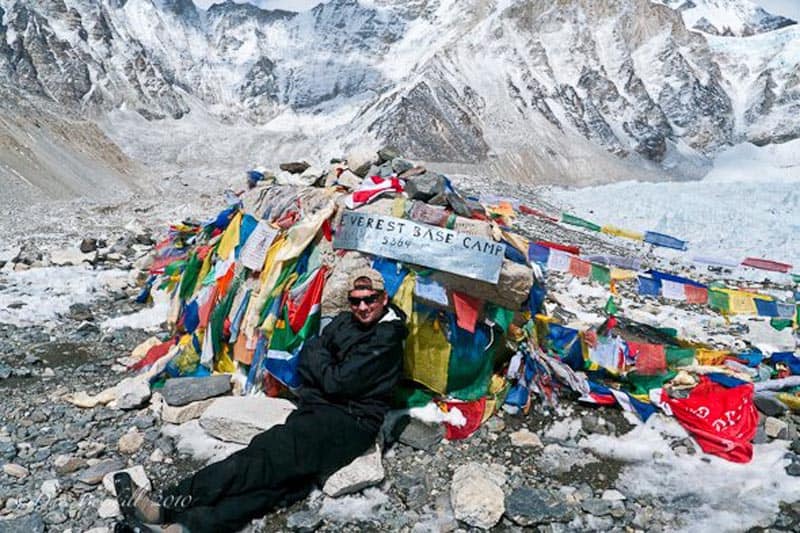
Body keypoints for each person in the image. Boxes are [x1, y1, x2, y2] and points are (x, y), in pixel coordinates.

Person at [117, 267, 408, 533]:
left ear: (384, 299)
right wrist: (325, 365)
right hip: (321, 411)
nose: (362, 307)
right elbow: (308, 354)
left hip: (349, 421)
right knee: (277, 487)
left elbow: (335, 380)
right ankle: (188, 528)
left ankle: (166, 506)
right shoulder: (346, 322)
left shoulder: (387, 338)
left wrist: (324, 365)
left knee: (261, 457)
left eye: (370, 299)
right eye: (355, 300)